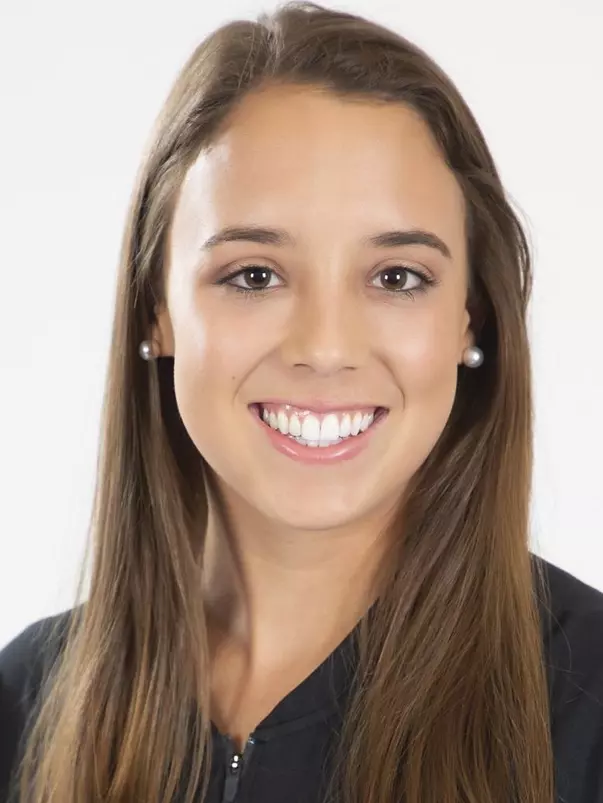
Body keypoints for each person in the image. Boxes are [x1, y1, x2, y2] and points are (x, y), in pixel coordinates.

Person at [1, 1, 602, 801]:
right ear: (157, 308)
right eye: (254, 274)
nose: (324, 347)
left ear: (470, 318)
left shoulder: (588, 696)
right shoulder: (24, 702)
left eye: (396, 278)